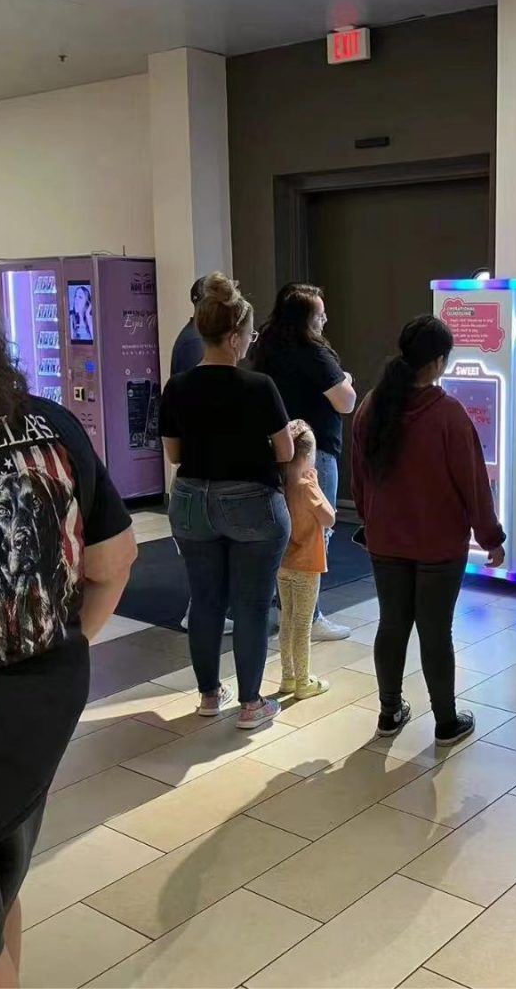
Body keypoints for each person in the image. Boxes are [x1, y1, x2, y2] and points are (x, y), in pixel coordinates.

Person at [0, 237, 137, 988]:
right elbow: (114, 563)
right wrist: (58, 648)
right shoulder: (48, 420)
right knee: (1, 890)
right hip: (37, 723)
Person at [352, 316, 506, 746]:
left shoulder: (372, 406)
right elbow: (473, 483)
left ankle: (388, 712)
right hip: (439, 544)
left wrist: (372, 518)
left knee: (392, 624)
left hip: (386, 540)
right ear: (438, 362)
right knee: (436, 631)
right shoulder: (448, 415)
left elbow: (359, 478)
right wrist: (490, 537)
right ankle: (445, 722)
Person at [160, 272, 292, 729]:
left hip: (192, 500)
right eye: (250, 335)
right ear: (235, 338)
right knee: (252, 605)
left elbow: (174, 453)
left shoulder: (177, 387)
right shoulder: (259, 387)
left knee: (206, 600)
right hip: (252, 501)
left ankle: (209, 696)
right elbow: (286, 450)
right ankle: (252, 705)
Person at [253, 283, 356, 642]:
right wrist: (346, 380)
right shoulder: (314, 353)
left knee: (284, 535)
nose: (325, 319)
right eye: (319, 314)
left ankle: (285, 611)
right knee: (314, 536)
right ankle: (308, 618)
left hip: (276, 451)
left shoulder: (266, 348)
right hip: (315, 453)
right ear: (304, 319)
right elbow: (346, 402)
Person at [170, 275, 233, 637]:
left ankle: (204, 610)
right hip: (203, 465)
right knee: (207, 554)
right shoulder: (196, 343)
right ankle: (200, 612)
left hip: (197, 462)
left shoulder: (190, 337)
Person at [277, 420, 335, 700]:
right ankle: (303, 681)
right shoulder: (306, 486)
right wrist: (317, 486)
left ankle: (287, 676)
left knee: (286, 619)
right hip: (307, 565)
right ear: (309, 455)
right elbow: (329, 517)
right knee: (303, 623)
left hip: (283, 563)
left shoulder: (281, 483)